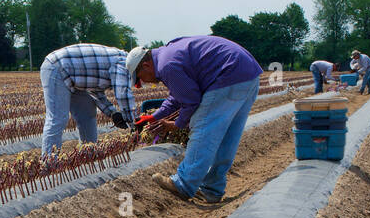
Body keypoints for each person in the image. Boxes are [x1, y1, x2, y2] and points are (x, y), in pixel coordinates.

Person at [128, 35, 263, 204]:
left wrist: (177, 125)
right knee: (227, 136)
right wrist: (154, 116)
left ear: (146, 65)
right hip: (248, 75)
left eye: (140, 79)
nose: (144, 83)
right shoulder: (167, 56)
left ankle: (183, 183)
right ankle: (212, 189)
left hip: (228, 75)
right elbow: (178, 95)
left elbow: (191, 101)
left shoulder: (167, 66)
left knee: (203, 127)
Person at [39, 43, 137, 156]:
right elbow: (123, 94)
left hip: (75, 77)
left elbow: (95, 89)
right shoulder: (123, 65)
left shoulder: (121, 61)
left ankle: (88, 156)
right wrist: (134, 125)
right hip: (57, 67)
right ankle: (48, 163)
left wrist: (112, 113)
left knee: (87, 116)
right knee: (58, 118)